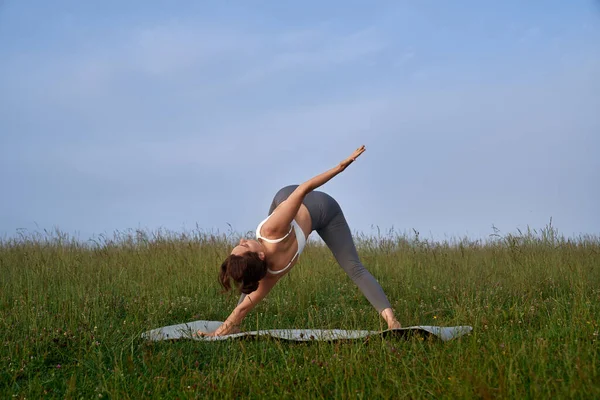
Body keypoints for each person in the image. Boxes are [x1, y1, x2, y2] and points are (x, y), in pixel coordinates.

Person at [200, 145, 401, 337]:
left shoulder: (269, 275)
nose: (244, 239)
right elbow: (304, 188)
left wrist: (217, 333)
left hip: (310, 206)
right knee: (355, 268)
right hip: (314, 206)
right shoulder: (271, 231)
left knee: (353, 267)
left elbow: (243, 308)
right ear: (260, 255)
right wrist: (340, 167)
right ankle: (392, 321)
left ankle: (393, 323)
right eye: (244, 245)